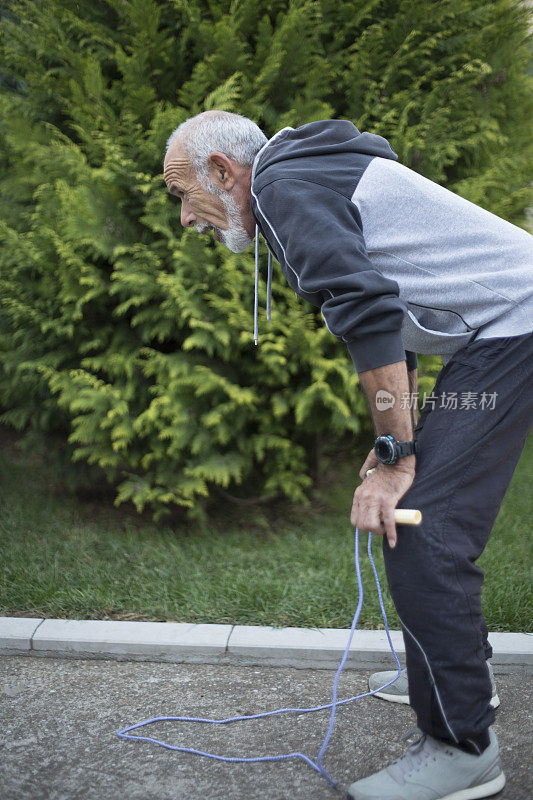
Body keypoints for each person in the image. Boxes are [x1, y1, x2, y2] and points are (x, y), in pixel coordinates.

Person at [162, 110, 533, 800]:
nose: (186, 218)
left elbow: (367, 312)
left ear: (221, 171)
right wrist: (395, 440)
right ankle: (447, 666)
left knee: (423, 527)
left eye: (183, 194)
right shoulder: (303, 176)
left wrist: (397, 460)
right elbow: (388, 315)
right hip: (500, 330)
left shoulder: (283, 190)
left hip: (515, 327)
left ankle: (463, 744)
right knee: (423, 517)